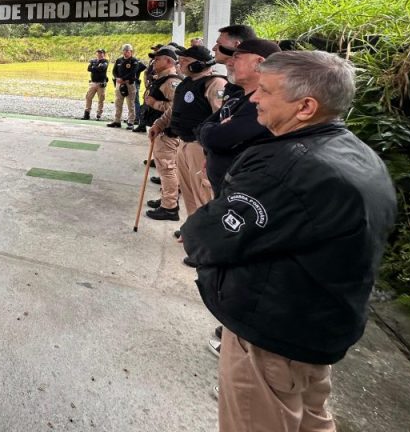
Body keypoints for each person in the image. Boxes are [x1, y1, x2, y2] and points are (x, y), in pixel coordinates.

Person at [182, 51, 397, 432]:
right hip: (315, 325)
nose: (254, 99)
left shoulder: (287, 168)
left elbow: (208, 235)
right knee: (312, 420)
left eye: (265, 91)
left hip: (274, 334)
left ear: (306, 106)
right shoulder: (356, 153)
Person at [149, 45, 225, 231]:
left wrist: (213, 151)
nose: (180, 64)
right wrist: (159, 124)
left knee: (203, 193)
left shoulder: (215, 84)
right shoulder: (185, 83)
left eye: (185, 62)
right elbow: (174, 110)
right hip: (184, 142)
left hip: (200, 146)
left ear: (199, 64)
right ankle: (191, 230)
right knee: (189, 191)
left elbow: (221, 118)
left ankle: (204, 236)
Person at [197, 38, 280, 198]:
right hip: (225, 190)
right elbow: (202, 128)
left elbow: (215, 138)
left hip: (243, 196)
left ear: (259, 63)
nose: (230, 63)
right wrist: (214, 131)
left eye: (237, 58)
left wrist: (215, 131)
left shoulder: (264, 103)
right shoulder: (239, 96)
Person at [142, 47, 184, 221]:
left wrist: (155, 104)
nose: (154, 62)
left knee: (167, 170)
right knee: (165, 169)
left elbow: (178, 108)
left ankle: (169, 207)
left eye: (158, 59)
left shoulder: (172, 82)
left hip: (167, 133)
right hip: (161, 130)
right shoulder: (163, 79)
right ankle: (167, 199)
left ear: (168, 61)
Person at [109, 44, 144, 128]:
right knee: (118, 103)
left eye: (128, 51)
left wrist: (123, 79)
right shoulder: (119, 60)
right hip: (119, 84)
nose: (126, 52)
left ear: (131, 52)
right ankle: (117, 121)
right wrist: (117, 78)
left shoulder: (134, 61)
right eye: (124, 50)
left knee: (130, 103)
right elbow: (114, 71)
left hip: (129, 84)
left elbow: (133, 72)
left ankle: (131, 122)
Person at [83, 49, 108, 120]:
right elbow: (88, 68)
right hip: (93, 83)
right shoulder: (93, 61)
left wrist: (94, 67)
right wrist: (96, 68)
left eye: (101, 53)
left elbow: (102, 68)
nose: (99, 54)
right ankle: (87, 113)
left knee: (101, 99)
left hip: (101, 83)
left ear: (104, 54)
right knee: (88, 97)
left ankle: (99, 114)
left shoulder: (105, 61)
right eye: (98, 53)